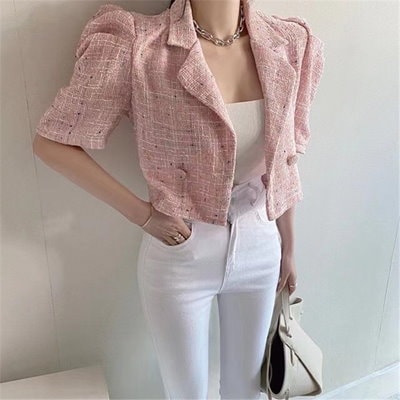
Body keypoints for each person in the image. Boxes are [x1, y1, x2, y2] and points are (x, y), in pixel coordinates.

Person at [33, 0, 325, 398]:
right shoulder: (139, 45)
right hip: (181, 251)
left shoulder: (287, 43)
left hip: (261, 242)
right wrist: (143, 215)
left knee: (246, 391)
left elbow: (285, 159)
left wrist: (289, 247)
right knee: (185, 393)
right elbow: (52, 144)